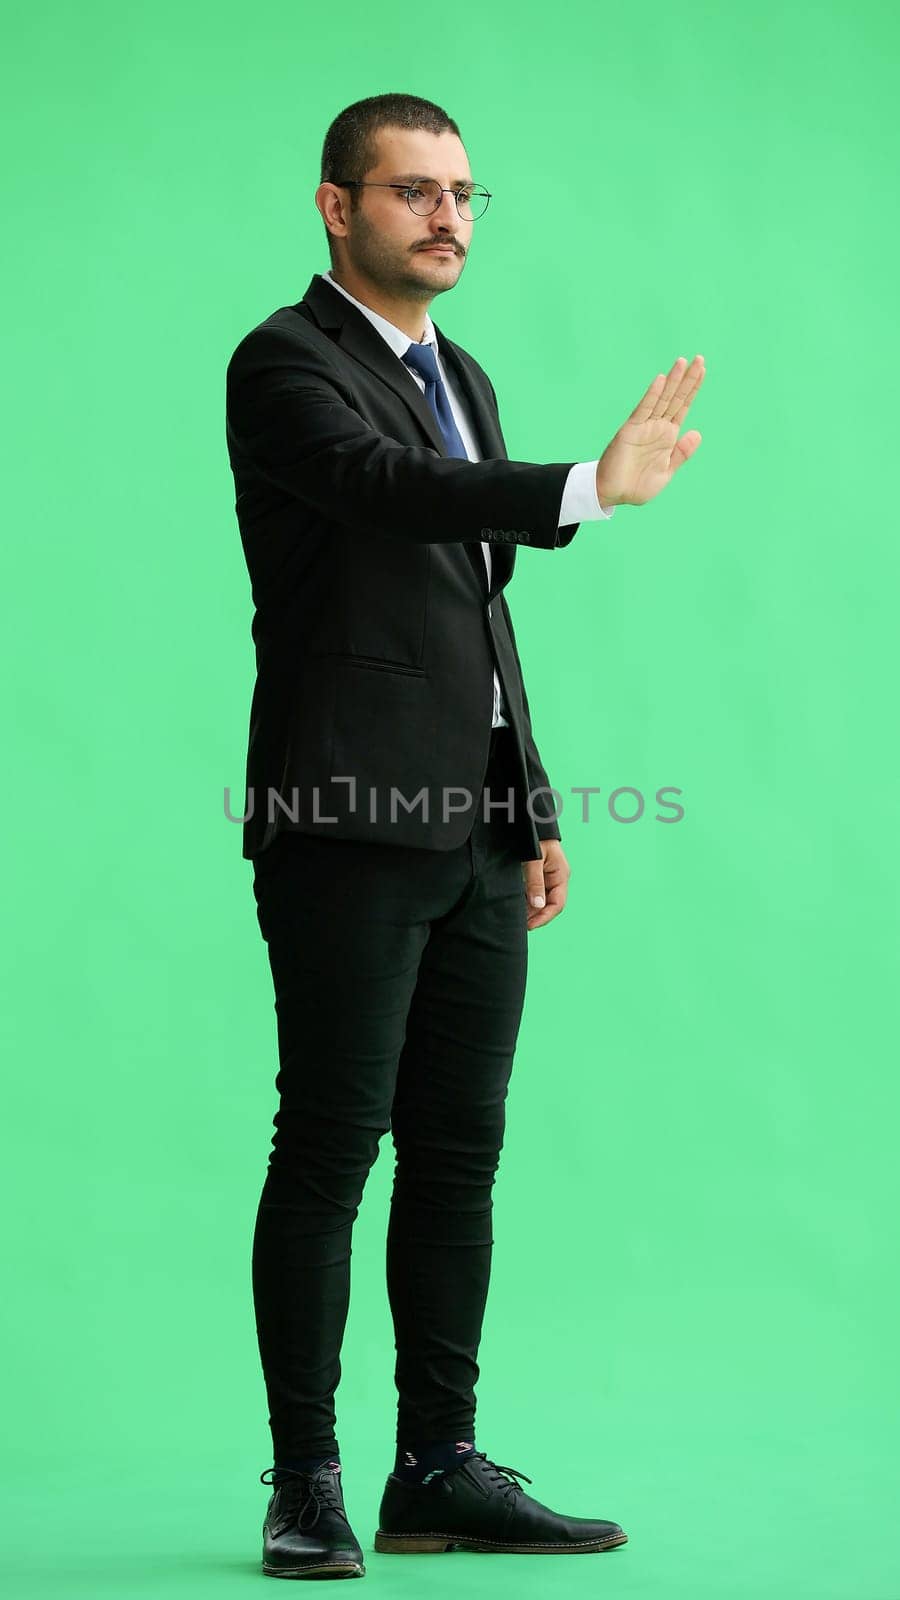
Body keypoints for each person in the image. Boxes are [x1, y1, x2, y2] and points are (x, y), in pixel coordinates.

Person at [225, 91, 705, 1580]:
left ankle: (436, 1465)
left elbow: (472, 604)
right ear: (336, 207)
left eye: (462, 193)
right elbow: (391, 495)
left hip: (474, 835)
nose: (446, 214)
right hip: (343, 818)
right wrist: (584, 490)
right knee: (329, 1147)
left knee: (458, 1154)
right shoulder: (283, 364)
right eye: (413, 190)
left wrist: (533, 803)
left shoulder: (463, 373)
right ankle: (307, 1477)